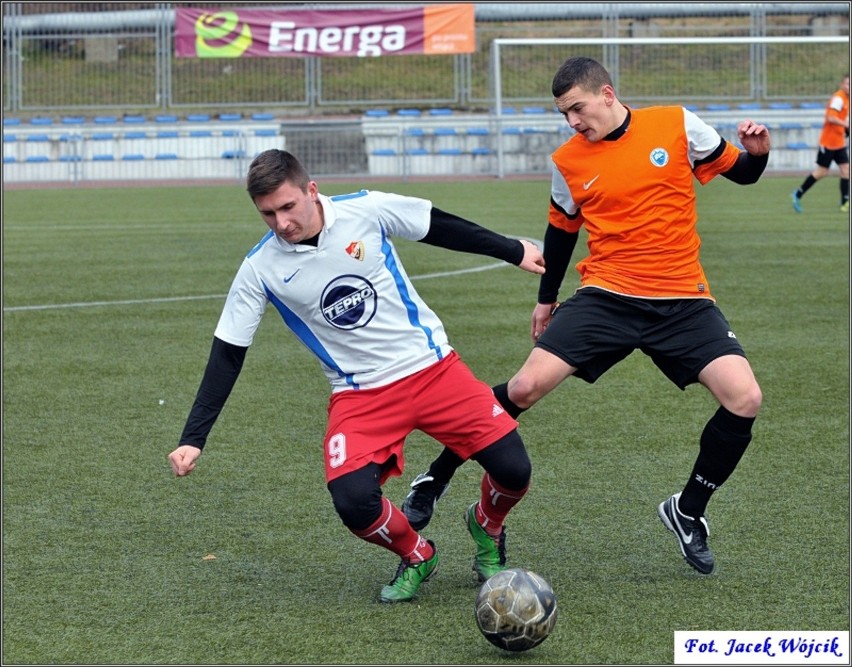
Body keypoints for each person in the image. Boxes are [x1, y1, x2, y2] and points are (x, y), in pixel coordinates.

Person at [402, 56, 771, 576]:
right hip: (608, 296)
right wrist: (546, 298)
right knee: (526, 387)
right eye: (564, 114)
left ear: (606, 94)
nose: (573, 122)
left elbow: (745, 173)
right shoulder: (568, 160)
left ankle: (688, 510)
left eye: (577, 108)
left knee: (745, 398)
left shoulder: (677, 123)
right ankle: (434, 479)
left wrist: (759, 152)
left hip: (683, 299)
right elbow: (561, 231)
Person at [167, 149, 546, 603]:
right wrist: (195, 436)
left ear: (311, 190)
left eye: (288, 207)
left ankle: (487, 525)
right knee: (352, 502)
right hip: (359, 393)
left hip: (432, 368)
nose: (281, 222)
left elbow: (436, 224)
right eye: (267, 213)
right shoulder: (260, 268)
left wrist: (512, 249)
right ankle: (417, 553)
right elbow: (228, 352)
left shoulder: (364, 209)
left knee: (514, 471)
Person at [791, 73, 850, 213]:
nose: (849, 86)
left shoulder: (848, 99)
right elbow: (830, 118)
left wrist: (845, 130)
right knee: (821, 172)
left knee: (846, 170)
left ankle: (844, 203)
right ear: (842, 85)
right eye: (848, 83)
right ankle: (798, 193)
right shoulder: (838, 98)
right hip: (828, 143)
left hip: (839, 142)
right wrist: (846, 126)